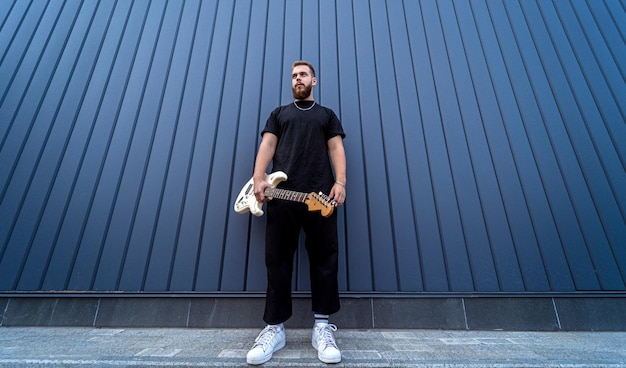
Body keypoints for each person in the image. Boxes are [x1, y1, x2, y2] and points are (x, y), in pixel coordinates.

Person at [246, 61, 347, 365]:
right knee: (276, 259)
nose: (297, 79)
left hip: (321, 196)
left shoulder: (326, 115)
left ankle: (321, 327)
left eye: (303, 74)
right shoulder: (279, 114)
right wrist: (258, 179)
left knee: (325, 258)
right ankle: (274, 328)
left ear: (314, 80)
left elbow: (336, 149)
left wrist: (340, 181)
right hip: (281, 196)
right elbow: (268, 144)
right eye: (293, 76)